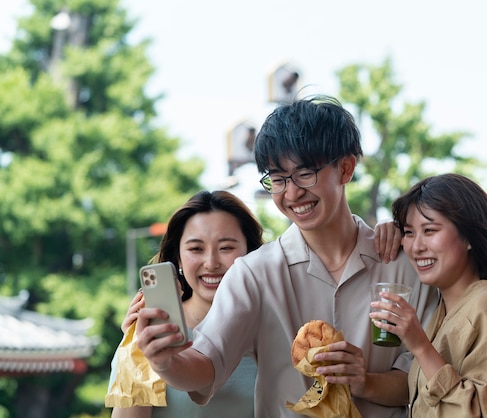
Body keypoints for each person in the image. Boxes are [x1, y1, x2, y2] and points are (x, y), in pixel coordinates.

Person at [135, 95, 440, 417]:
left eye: (305, 174)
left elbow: (427, 377)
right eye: (277, 179)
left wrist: (364, 381)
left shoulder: (404, 265)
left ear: (346, 168)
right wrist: (165, 361)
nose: (292, 193)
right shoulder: (253, 274)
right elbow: (207, 363)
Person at [370, 173, 487, 417]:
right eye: (409, 232)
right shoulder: (444, 310)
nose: (416, 246)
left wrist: (420, 346)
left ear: (469, 236)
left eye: (430, 230)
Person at [109, 190, 264, 418]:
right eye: (196, 249)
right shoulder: (152, 333)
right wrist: (136, 353)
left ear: (250, 253)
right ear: (178, 258)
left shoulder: (271, 326)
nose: (211, 263)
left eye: (226, 248)